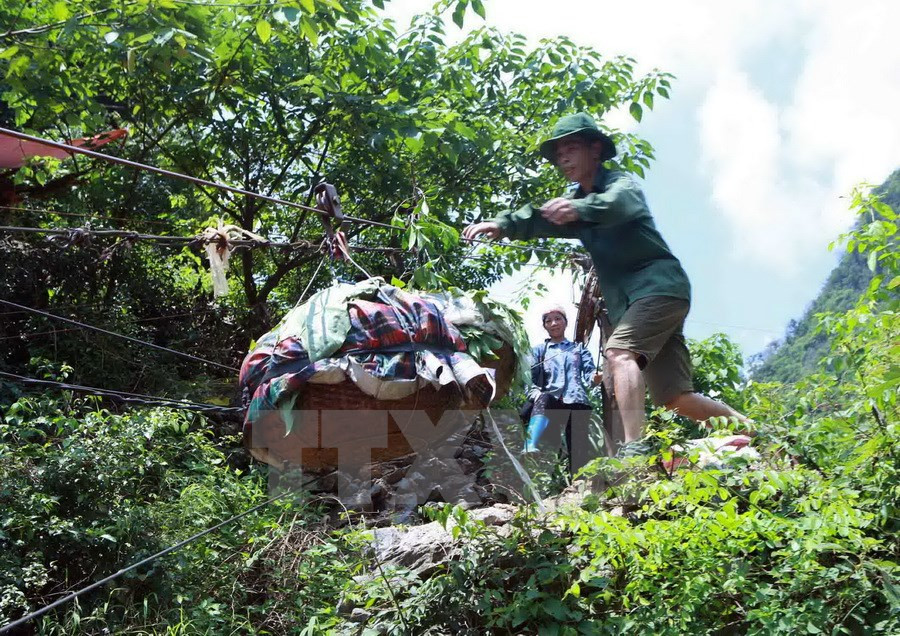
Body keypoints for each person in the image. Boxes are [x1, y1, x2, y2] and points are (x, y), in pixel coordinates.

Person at [463, 112, 749, 456]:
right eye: (558, 154)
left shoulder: (619, 186)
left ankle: (635, 448)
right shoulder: (576, 208)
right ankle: (755, 432)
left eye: (570, 148)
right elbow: (540, 218)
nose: (563, 158)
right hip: (638, 303)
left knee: (618, 353)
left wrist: (578, 208)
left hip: (659, 287)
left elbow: (618, 205)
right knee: (674, 397)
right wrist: (502, 225)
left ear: (595, 149)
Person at [523, 304, 602, 473]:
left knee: (578, 445)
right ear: (544, 326)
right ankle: (530, 445)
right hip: (550, 403)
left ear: (565, 322)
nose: (553, 323)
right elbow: (529, 378)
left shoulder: (578, 349)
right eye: (548, 321)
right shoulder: (539, 351)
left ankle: (579, 484)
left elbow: (589, 375)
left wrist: (595, 378)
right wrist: (535, 394)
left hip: (576, 400)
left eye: (558, 319)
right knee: (542, 397)